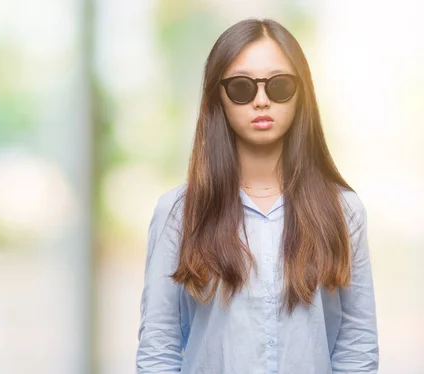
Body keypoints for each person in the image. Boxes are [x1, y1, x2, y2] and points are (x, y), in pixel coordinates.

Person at [135, 18, 379, 374]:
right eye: (241, 87)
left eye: (280, 86)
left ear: (302, 94)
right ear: (218, 95)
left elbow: (357, 347)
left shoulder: (344, 211)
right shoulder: (178, 212)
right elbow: (159, 347)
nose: (261, 101)